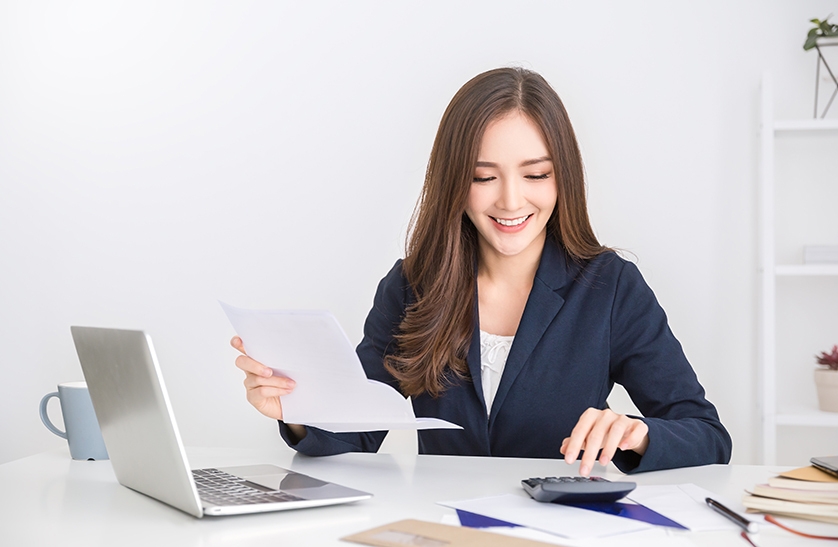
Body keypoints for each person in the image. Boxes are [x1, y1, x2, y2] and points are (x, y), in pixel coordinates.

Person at [233, 67, 732, 476]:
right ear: (454, 180)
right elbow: (354, 431)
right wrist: (295, 412)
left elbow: (706, 434)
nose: (511, 200)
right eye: (483, 176)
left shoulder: (611, 287)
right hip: (440, 526)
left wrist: (638, 433)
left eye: (536, 174)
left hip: (558, 529)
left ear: (564, 178)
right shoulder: (412, 286)